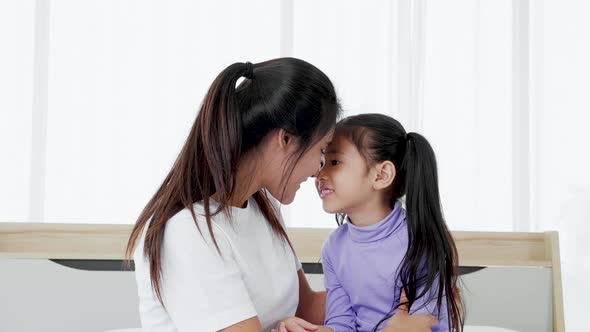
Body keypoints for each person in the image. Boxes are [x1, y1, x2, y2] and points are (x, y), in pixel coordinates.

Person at [126, 58, 437, 332]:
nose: (318, 170)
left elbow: (308, 308)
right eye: (320, 151)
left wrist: (426, 295)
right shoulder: (187, 233)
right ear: (285, 140)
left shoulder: (262, 207)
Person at [312, 114, 463, 332]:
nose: (319, 173)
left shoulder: (421, 240)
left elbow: (420, 326)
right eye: (322, 162)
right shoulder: (334, 248)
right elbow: (340, 322)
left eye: (335, 162)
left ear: (382, 175)